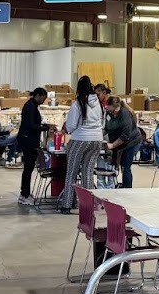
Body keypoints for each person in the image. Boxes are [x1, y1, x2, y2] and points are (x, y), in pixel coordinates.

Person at [61, 75, 104, 210]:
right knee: (88, 173)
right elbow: (102, 123)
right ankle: (88, 206)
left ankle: (67, 205)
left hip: (80, 140)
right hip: (97, 140)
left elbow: (71, 125)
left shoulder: (77, 104)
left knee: (71, 173)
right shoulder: (98, 104)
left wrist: (66, 128)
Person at [103, 96, 144, 188]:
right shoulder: (109, 114)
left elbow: (125, 136)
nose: (110, 113)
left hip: (132, 142)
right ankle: (120, 186)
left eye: (112, 111)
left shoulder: (125, 115)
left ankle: (128, 189)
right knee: (119, 165)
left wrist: (112, 145)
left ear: (117, 107)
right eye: (108, 110)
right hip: (120, 144)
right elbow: (106, 128)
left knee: (126, 167)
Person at [17, 87, 47, 202]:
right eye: (42, 99)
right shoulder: (30, 107)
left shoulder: (33, 106)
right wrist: (45, 128)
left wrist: (45, 125)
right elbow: (31, 125)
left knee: (29, 169)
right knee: (28, 169)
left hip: (30, 140)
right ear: (37, 96)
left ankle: (25, 193)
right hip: (27, 140)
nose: (43, 101)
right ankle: (24, 195)